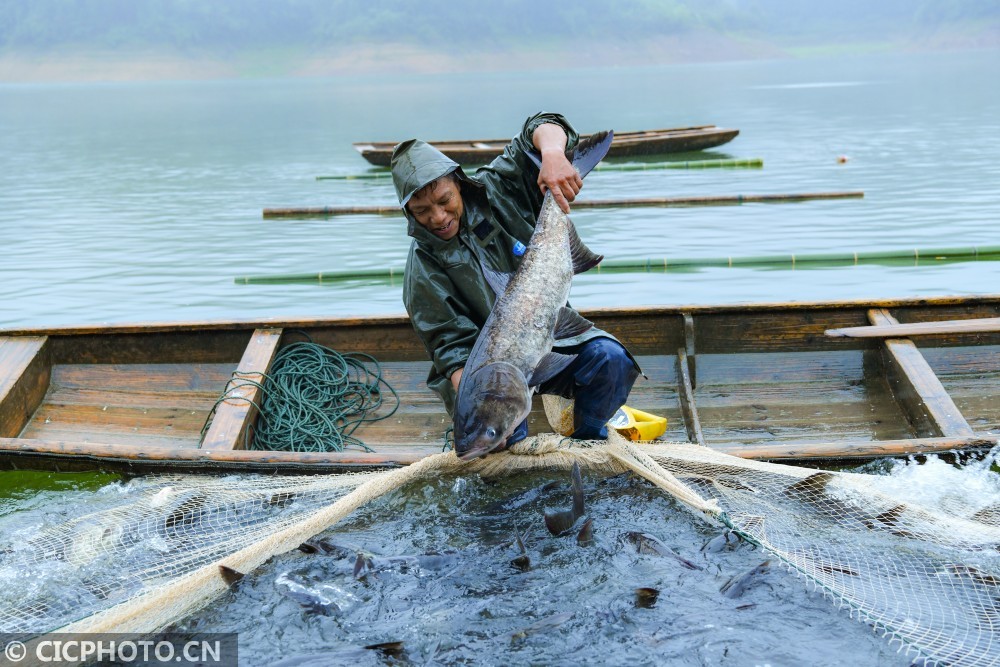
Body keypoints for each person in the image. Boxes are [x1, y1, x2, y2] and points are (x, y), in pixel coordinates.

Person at [391, 112, 639, 447]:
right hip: (489, 373)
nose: (437, 217)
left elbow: (541, 125)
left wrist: (552, 156)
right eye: (421, 211)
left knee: (612, 359)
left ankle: (586, 442)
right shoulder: (422, 270)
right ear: (408, 213)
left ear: (458, 184)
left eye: (444, 200)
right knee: (497, 435)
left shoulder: (498, 188)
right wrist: (486, 406)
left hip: (550, 334)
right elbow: (452, 350)